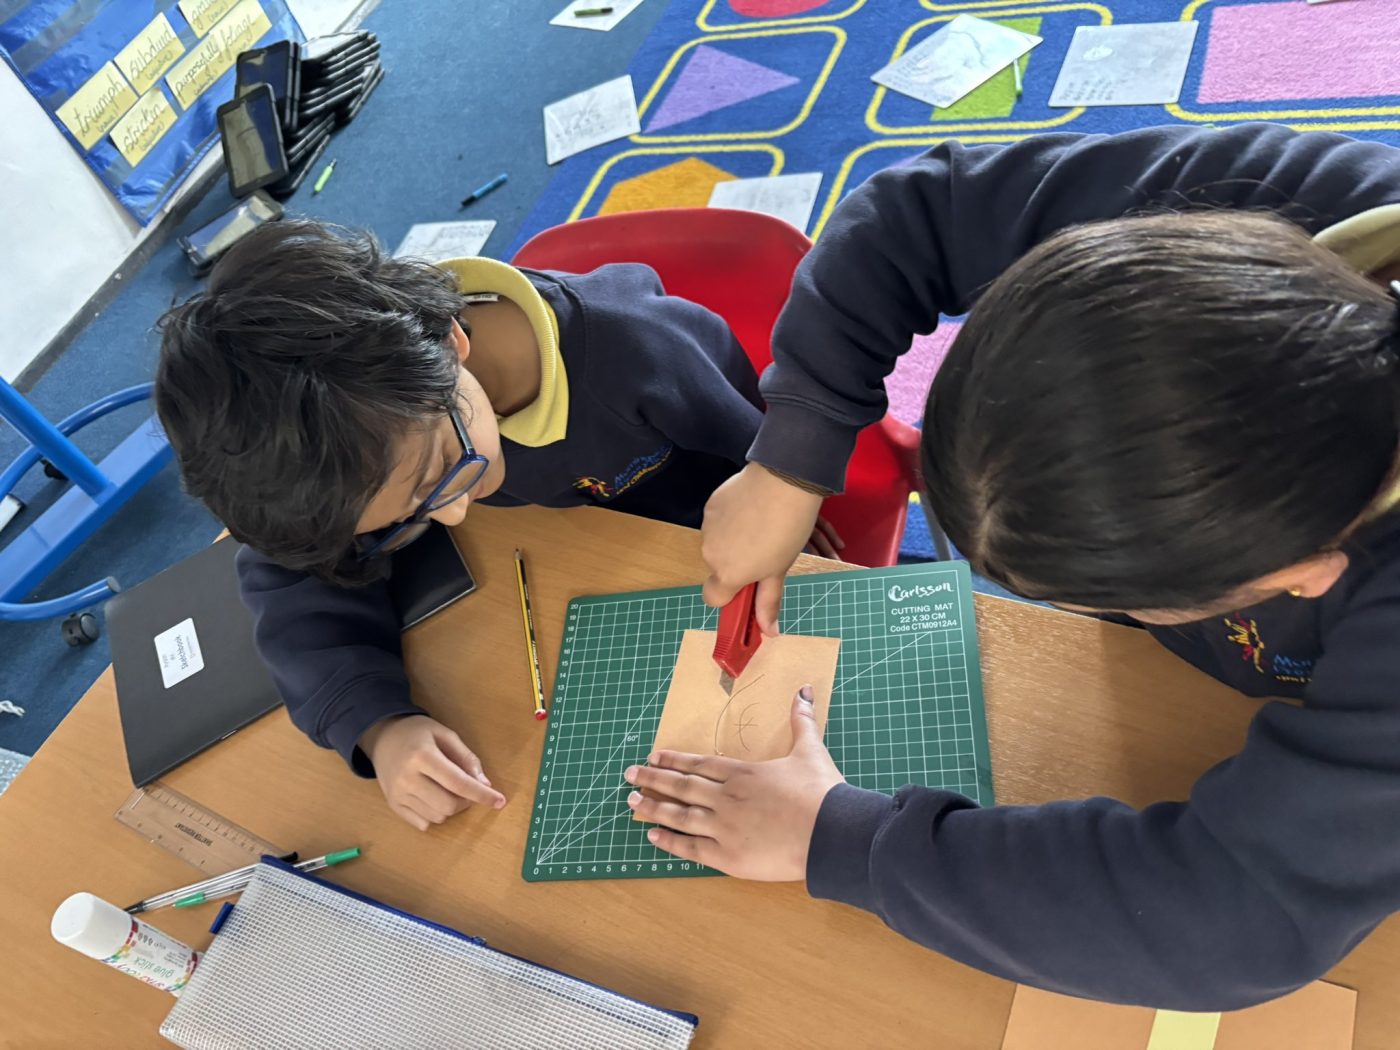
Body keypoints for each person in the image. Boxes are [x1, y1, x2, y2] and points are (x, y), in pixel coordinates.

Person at [623, 123, 1400, 1009]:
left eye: (1115, 593)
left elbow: (1232, 918)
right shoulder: (1249, 211)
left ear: (1307, 572)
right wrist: (792, 457)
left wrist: (840, 840)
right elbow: (917, 212)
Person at [154, 220, 840, 832]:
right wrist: (380, 727)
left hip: (699, 535)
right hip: (581, 557)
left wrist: (791, 506)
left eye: (442, 472)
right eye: (412, 512)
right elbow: (290, 580)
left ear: (452, 341)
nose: (454, 513)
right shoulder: (370, 442)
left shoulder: (639, 352)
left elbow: (771, 463)